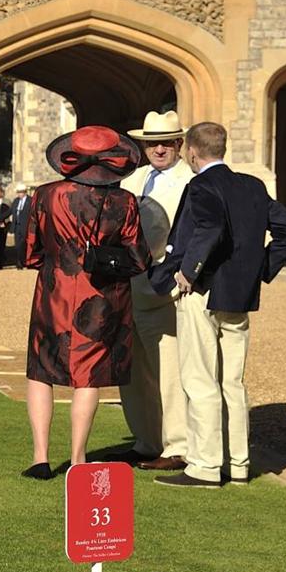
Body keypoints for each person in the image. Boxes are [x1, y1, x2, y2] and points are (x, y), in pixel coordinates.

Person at [149, 122, 286, 488]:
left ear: (191, 152)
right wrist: (262, 268)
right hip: (239, 296)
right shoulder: (252, 186)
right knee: (232, 383)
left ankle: (203, 466)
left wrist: (189, 270)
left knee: (200, 380)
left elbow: (210, 229)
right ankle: (238, 465)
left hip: (203, 292)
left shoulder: (201, 185)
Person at [20, 127, 148, 479]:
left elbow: (29, 252)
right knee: (88, 376)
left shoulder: (44, 195)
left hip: (54, 290)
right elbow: (139, 259)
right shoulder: (125, 202)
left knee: (41, 370)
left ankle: (40, 457)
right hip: (102, 295)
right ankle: (78, 459)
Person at [113, 110, 194, 471]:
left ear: (178, 143)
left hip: (165, 290)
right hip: (128, 287)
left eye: (166, 142)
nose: (159, 149)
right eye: (152, 143)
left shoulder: (190, 181)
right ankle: (146, 440)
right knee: (133, 372)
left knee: (170, 371)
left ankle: (178, 444)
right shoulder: (134, 179)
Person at [7, 183, 33, 254]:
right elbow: (10, 211)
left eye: (20, 192)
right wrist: (0, 218)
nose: (19, 194)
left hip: (26, 226)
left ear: (24, 192)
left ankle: (24, 260)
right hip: (17, 226)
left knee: (24, 244)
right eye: (18, 192)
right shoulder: (16, 201)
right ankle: (19, 261)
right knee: (17, 245)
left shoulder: (30, 200)